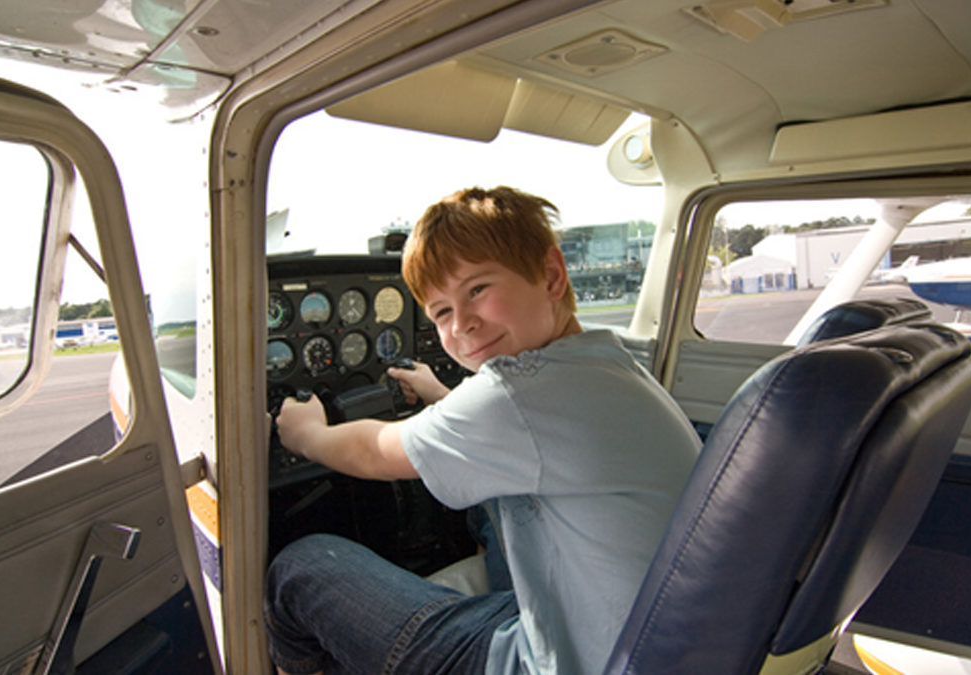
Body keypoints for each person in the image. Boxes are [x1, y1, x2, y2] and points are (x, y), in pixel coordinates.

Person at [267, 186, 701, 674]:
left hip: (566, 662)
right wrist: (439, 395)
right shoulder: (603, 361)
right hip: (640, 634)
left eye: (477, 290)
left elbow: (374, 451)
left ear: (552, 276)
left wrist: (306, 435)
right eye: (441, 312)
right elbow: (530, 433)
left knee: (298, 568)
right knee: (482, 509)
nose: (463, 325)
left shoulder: (519, 391)